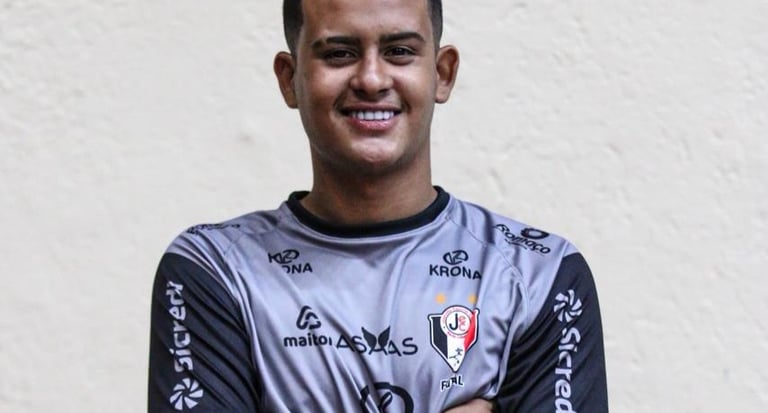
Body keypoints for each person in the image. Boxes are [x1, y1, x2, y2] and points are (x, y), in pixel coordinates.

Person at [147, 0, 608, 411]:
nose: (371, 79)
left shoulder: (539, 275)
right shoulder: (215, 270)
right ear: (290, 80)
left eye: (399, 51)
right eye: (339, 54)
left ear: (442, 73)